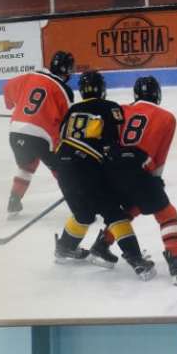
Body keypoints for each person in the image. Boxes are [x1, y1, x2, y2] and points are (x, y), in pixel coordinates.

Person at [113, 73, 177, 280]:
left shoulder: (120, 109)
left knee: (128, 209)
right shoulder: (167, 117)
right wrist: (156, 180)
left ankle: (101, 245)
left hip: (112, 170)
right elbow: (160, 155)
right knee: (167, 213)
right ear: (157, 94)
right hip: (139, 171)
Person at [50, 69, 137, 272]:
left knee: (84, 213)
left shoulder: (71, 110)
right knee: (114, 211)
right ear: (102, 89)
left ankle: (65, 247)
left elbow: (60, 138)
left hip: (63, 165)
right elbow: (113, 143)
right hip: (86, 166)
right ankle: (136, 258)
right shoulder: (110, 107)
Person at [0, 48, 74, 215]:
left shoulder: (29, 76)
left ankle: (14, 200)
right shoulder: (63, 90)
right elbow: (66, 124)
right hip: (41, 138)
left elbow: (7, 87)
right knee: (62, 168)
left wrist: (12, 105)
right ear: (66, 70)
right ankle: (78, 203)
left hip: (15, 132)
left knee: (26, 167)